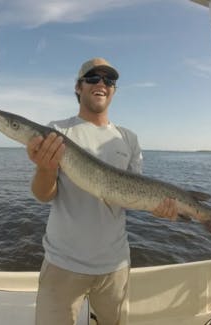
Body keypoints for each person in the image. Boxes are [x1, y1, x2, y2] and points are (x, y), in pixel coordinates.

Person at [26, 57, 177, 325]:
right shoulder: (58, 131)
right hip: (63, 263)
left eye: (109, 80)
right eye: (93, 78)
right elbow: (43, 195)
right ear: (78, 87)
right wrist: (45, 169)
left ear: (114, 90)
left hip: (115, 266)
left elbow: (133, 196)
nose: (102, 84)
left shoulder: (128, 138)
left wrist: (160, 209)